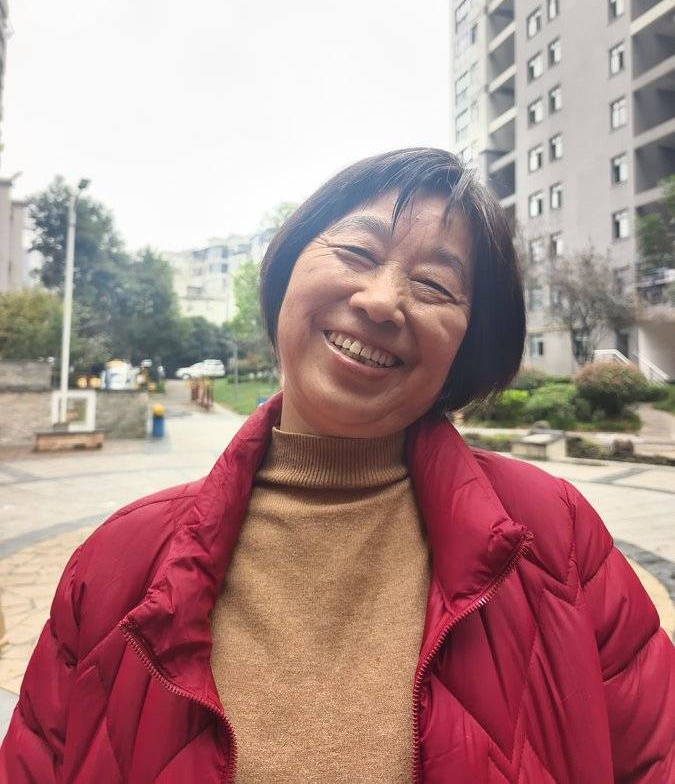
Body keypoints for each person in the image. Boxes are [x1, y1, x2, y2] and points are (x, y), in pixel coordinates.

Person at [1, 148, 673, 782]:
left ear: (467, 345)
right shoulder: (115, 564)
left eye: (434, 284)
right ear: (287, 271)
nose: (381, 300)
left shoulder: (555, 539)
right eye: (356, 252)